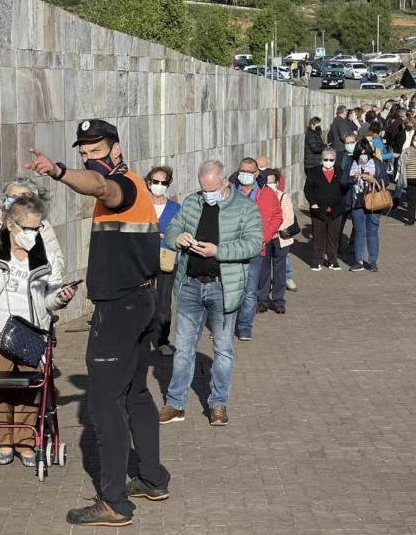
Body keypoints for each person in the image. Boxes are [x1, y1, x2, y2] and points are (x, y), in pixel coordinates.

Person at [25, 119, 170, 528]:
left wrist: (56, 171)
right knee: (137, 393)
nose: (90, 156)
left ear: (116, 149)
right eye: (84, 151)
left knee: (105, 403)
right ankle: (153, 479)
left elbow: (100, 186)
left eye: (97, 148)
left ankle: (114, 502)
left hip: (120, 308)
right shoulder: (135, 187)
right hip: (140, 301)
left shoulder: (121, 186)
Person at [0, 195, 76, 467]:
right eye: (28, 228)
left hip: (31, 331)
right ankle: (4, 438)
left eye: (38, 227)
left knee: (29, 386)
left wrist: (61, 298)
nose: (33, 233)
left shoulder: (43, 251)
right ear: (11, 225)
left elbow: (50, 296)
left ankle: (24, 441)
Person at [160, 160, 263, 426]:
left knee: (223, 349)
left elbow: (254, 244)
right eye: (203, 189)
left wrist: (218, 251)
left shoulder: (245, 207)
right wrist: (177, 238)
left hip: (223, 287)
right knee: (183, 348)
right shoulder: (192, 202)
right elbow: (172, 228)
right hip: (190, 285)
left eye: (212, 189)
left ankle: (218, 404)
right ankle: (175, 403)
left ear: (225, 183)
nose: (207, 195)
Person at [232, 158, 283, 342]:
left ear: (256, 174)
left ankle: (245, 326)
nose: (244, 174)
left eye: (248, 171)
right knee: (230, 288)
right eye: (241, 170)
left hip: (255, 249)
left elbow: (277, 216)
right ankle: (226, 325)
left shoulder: (266, 193)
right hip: (232, 249)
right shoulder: (230, 192)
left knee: (250, 290)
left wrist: (265, 237)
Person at [0, 178, 65, 273]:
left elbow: (58, 264)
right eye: (12, 198)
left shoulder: (42, 226)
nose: (16, 204)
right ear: (5, 200)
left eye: (23, 200)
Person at [145, 166, 181, 356]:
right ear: (149, 182)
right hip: (144, 259)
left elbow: (181, 231)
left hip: (168, 260)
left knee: (164, 302)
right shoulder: (141, 205)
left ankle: (162, 340)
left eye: (163, 182)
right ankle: (141, 337)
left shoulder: (176, 208)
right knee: (143, 299)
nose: (159, 186)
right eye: (155, 181)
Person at [347, 142, 390, 272]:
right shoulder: (351, 164)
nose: (363, 155)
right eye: (361, 153)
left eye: (365, 153)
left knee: (372, 231)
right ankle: (358, 261)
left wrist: (373, 179)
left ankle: (372, 261)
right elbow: (343, 182)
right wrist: (352, 179)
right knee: (359, 230)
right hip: (357, 200)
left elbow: (386, 181)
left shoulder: (377, 164)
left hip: (374, 201)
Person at [304, 149, 348, 270]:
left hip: (336, 209)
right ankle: (317, 260)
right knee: (318, 236)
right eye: (326, 159)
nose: (328, 162)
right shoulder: (314, 172)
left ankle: (332, 260)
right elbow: (308, 189)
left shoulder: (340, 171)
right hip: (318, 209)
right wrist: (313, 203)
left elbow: (344, 188)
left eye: (331, 160)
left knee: (333, 236)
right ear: (322, 159)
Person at [257, 169, 293, 311]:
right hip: (266, 238)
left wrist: (274, 231)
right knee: (264, 270)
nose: (270, 185)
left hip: (280, 239)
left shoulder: (284, 197)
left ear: (277, 183)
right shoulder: (261, 195)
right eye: (267, 182)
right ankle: (262, 300)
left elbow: (287, 218)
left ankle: (279, 301)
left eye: (272, 182)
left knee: (279, 270)